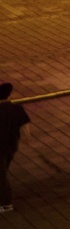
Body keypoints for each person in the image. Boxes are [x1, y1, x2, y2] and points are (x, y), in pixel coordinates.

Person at [0, 82, 27, 214]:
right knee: (3, 170)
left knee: (1, 176)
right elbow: (26, 132)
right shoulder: (17, 108)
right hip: (11, 145)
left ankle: (5, 203)